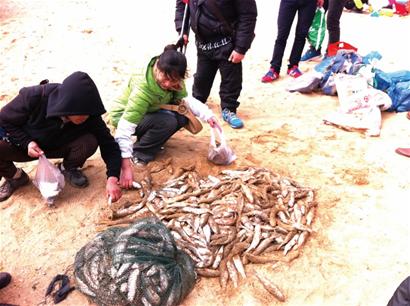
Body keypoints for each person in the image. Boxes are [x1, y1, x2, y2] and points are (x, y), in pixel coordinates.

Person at [109, 44, 220, 189]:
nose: (168, 84)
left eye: (173, 80)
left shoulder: (175, 79)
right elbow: (125, 127)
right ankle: (140, 153)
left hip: (149, 111)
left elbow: (185, 100)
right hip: (123, 115)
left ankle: (150, 140)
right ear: (157, 67)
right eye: (164, 78)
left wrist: (208, 116)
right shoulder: (143, 88)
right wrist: (125, 166)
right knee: (166, 121)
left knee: (181, 117)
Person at [0, 72, 122, 203]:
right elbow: (3, 120)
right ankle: (16, 177)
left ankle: (67, 168)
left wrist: (113, 177)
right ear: (69, 106)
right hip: (30, 146)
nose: (86, 118)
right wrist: (27, 142)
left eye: (88, 114)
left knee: (89, 141)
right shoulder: (34, 96)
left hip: (60, 145)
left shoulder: (90, 114)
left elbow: (108, 143)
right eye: (82, 114)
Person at [175, 0, 257, 129]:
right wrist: (182, 29)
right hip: (203, 42)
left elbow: (248, 16)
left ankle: (229, 109)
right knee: (201, 78)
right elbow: (182, 5)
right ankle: (197, 103)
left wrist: (241, 48)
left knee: (231, 79)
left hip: (228, 42)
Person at [262, 0, 321, 83]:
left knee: (301, 35)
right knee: (282, 35)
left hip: (309, 2)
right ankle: (274, 69)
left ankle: (293, 66)